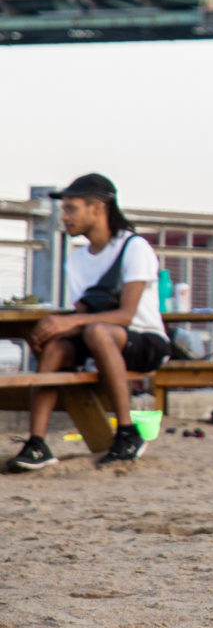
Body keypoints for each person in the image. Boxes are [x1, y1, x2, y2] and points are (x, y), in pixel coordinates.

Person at [9, 175, 170, 471]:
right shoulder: (78, 259)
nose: (65, 217)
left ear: (97, 208)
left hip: (144, 340)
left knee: (97, 331)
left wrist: (74, 321)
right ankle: (37, 443)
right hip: (102, 338)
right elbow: (84, 309)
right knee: (55, 345)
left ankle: (126, 431)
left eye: (72, 208)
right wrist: (55, 327)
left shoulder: (134, 248)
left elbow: (126, 315)